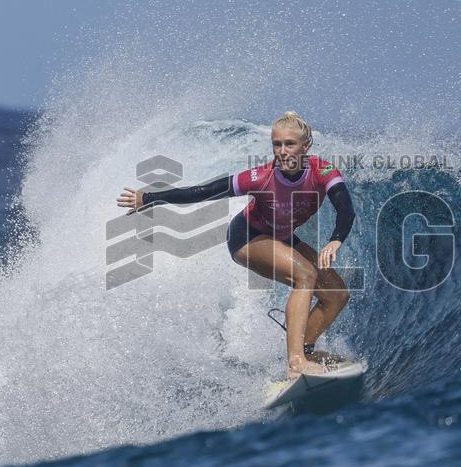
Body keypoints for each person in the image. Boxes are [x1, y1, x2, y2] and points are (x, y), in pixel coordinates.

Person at [117, 111, 356, 380]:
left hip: (283, 237)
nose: (282, 151)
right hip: (247, 237)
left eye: (290, 144)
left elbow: (345, 209)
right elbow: (203, 191)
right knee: (306, 276)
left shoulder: (323, 172)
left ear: (306, 145)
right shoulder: (260, 177)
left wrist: (336, 239)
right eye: (277, 144)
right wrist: (149, 197)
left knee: (337, 293)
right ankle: (296, 362)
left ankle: (306, 350)